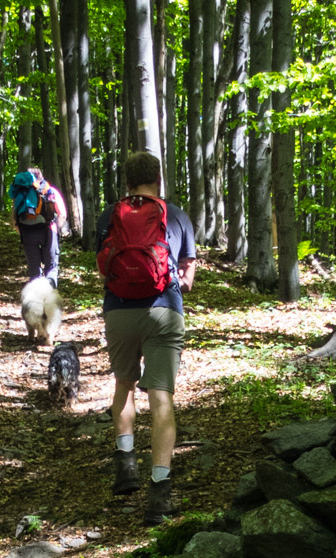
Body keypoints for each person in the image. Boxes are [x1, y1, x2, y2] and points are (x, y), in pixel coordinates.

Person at [95, 150, 198, 524]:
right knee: (161, 396)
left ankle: (125, 467)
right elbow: (186, 277)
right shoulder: (177, 215)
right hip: (164, 311)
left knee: (124, 383)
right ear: (159, 178)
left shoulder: (110, 214)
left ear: (127, 181)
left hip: (119, 311)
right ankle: (159, 493)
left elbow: (103, 266)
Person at [10, 166, 67, 286]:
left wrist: (23, 231)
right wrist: (56, 230)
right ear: (41, 176)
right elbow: (62, 214)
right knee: (51, 267)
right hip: (49, 231)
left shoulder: (21, 194)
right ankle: (50, 298)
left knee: (34, 271)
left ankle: (36, 301)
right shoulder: (50, 190)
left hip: (27, 233)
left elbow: (14, 218)